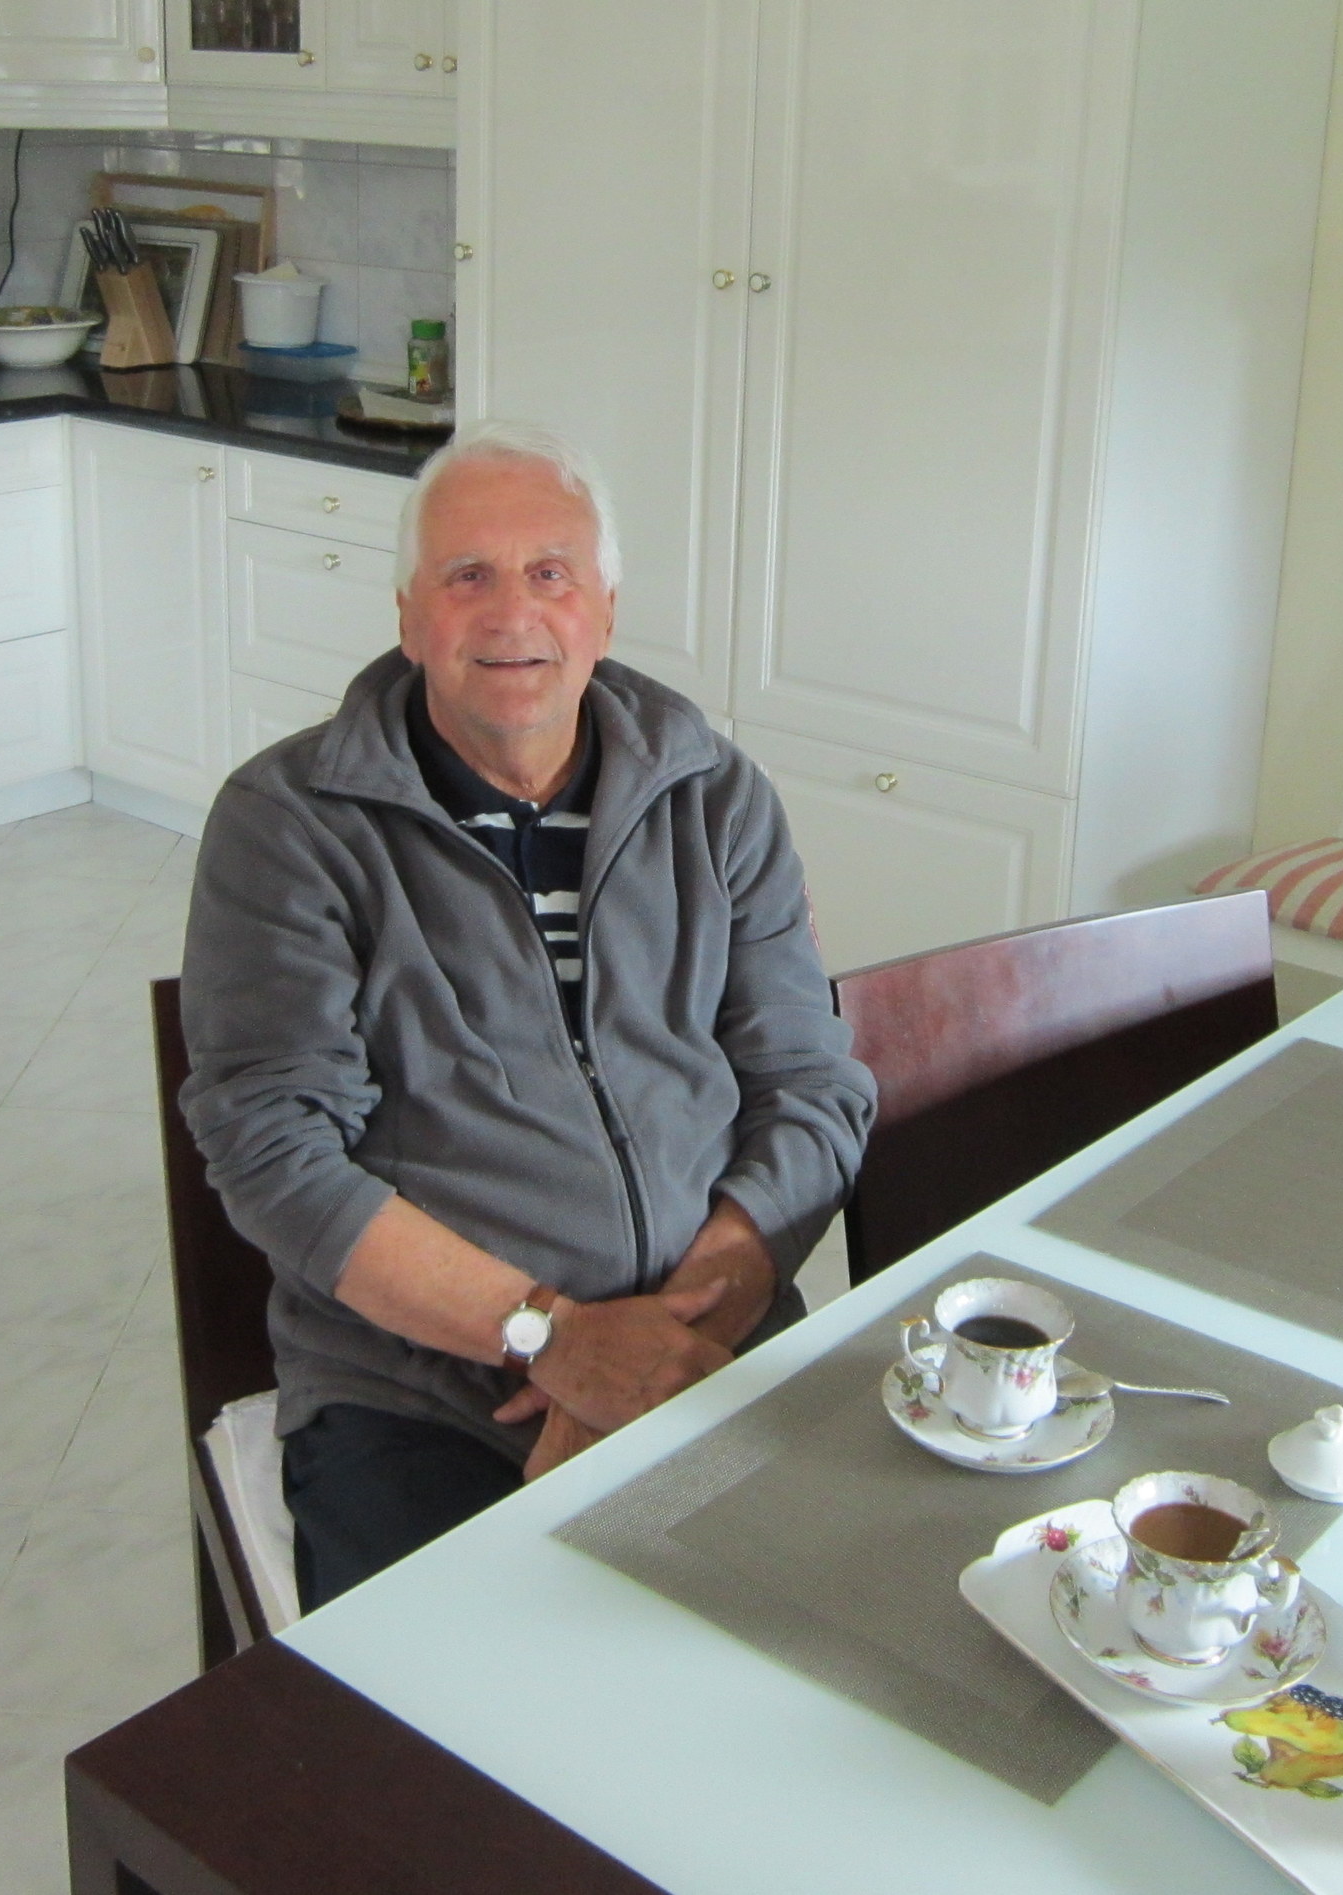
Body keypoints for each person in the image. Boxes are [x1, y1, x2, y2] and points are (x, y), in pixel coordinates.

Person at [179, 420, 874, 1609]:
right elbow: (274, 1151)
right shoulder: (288, 823)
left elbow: (810, 1084)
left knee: (855, 1639)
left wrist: (676, 1335)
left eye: (549, 572)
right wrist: (552, 1337)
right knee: (453, 1707)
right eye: (467, 576)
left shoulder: (715, 796)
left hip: (711, 1335)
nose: (512, 613)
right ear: (408, 617)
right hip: (424, 1392)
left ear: (603, 610)